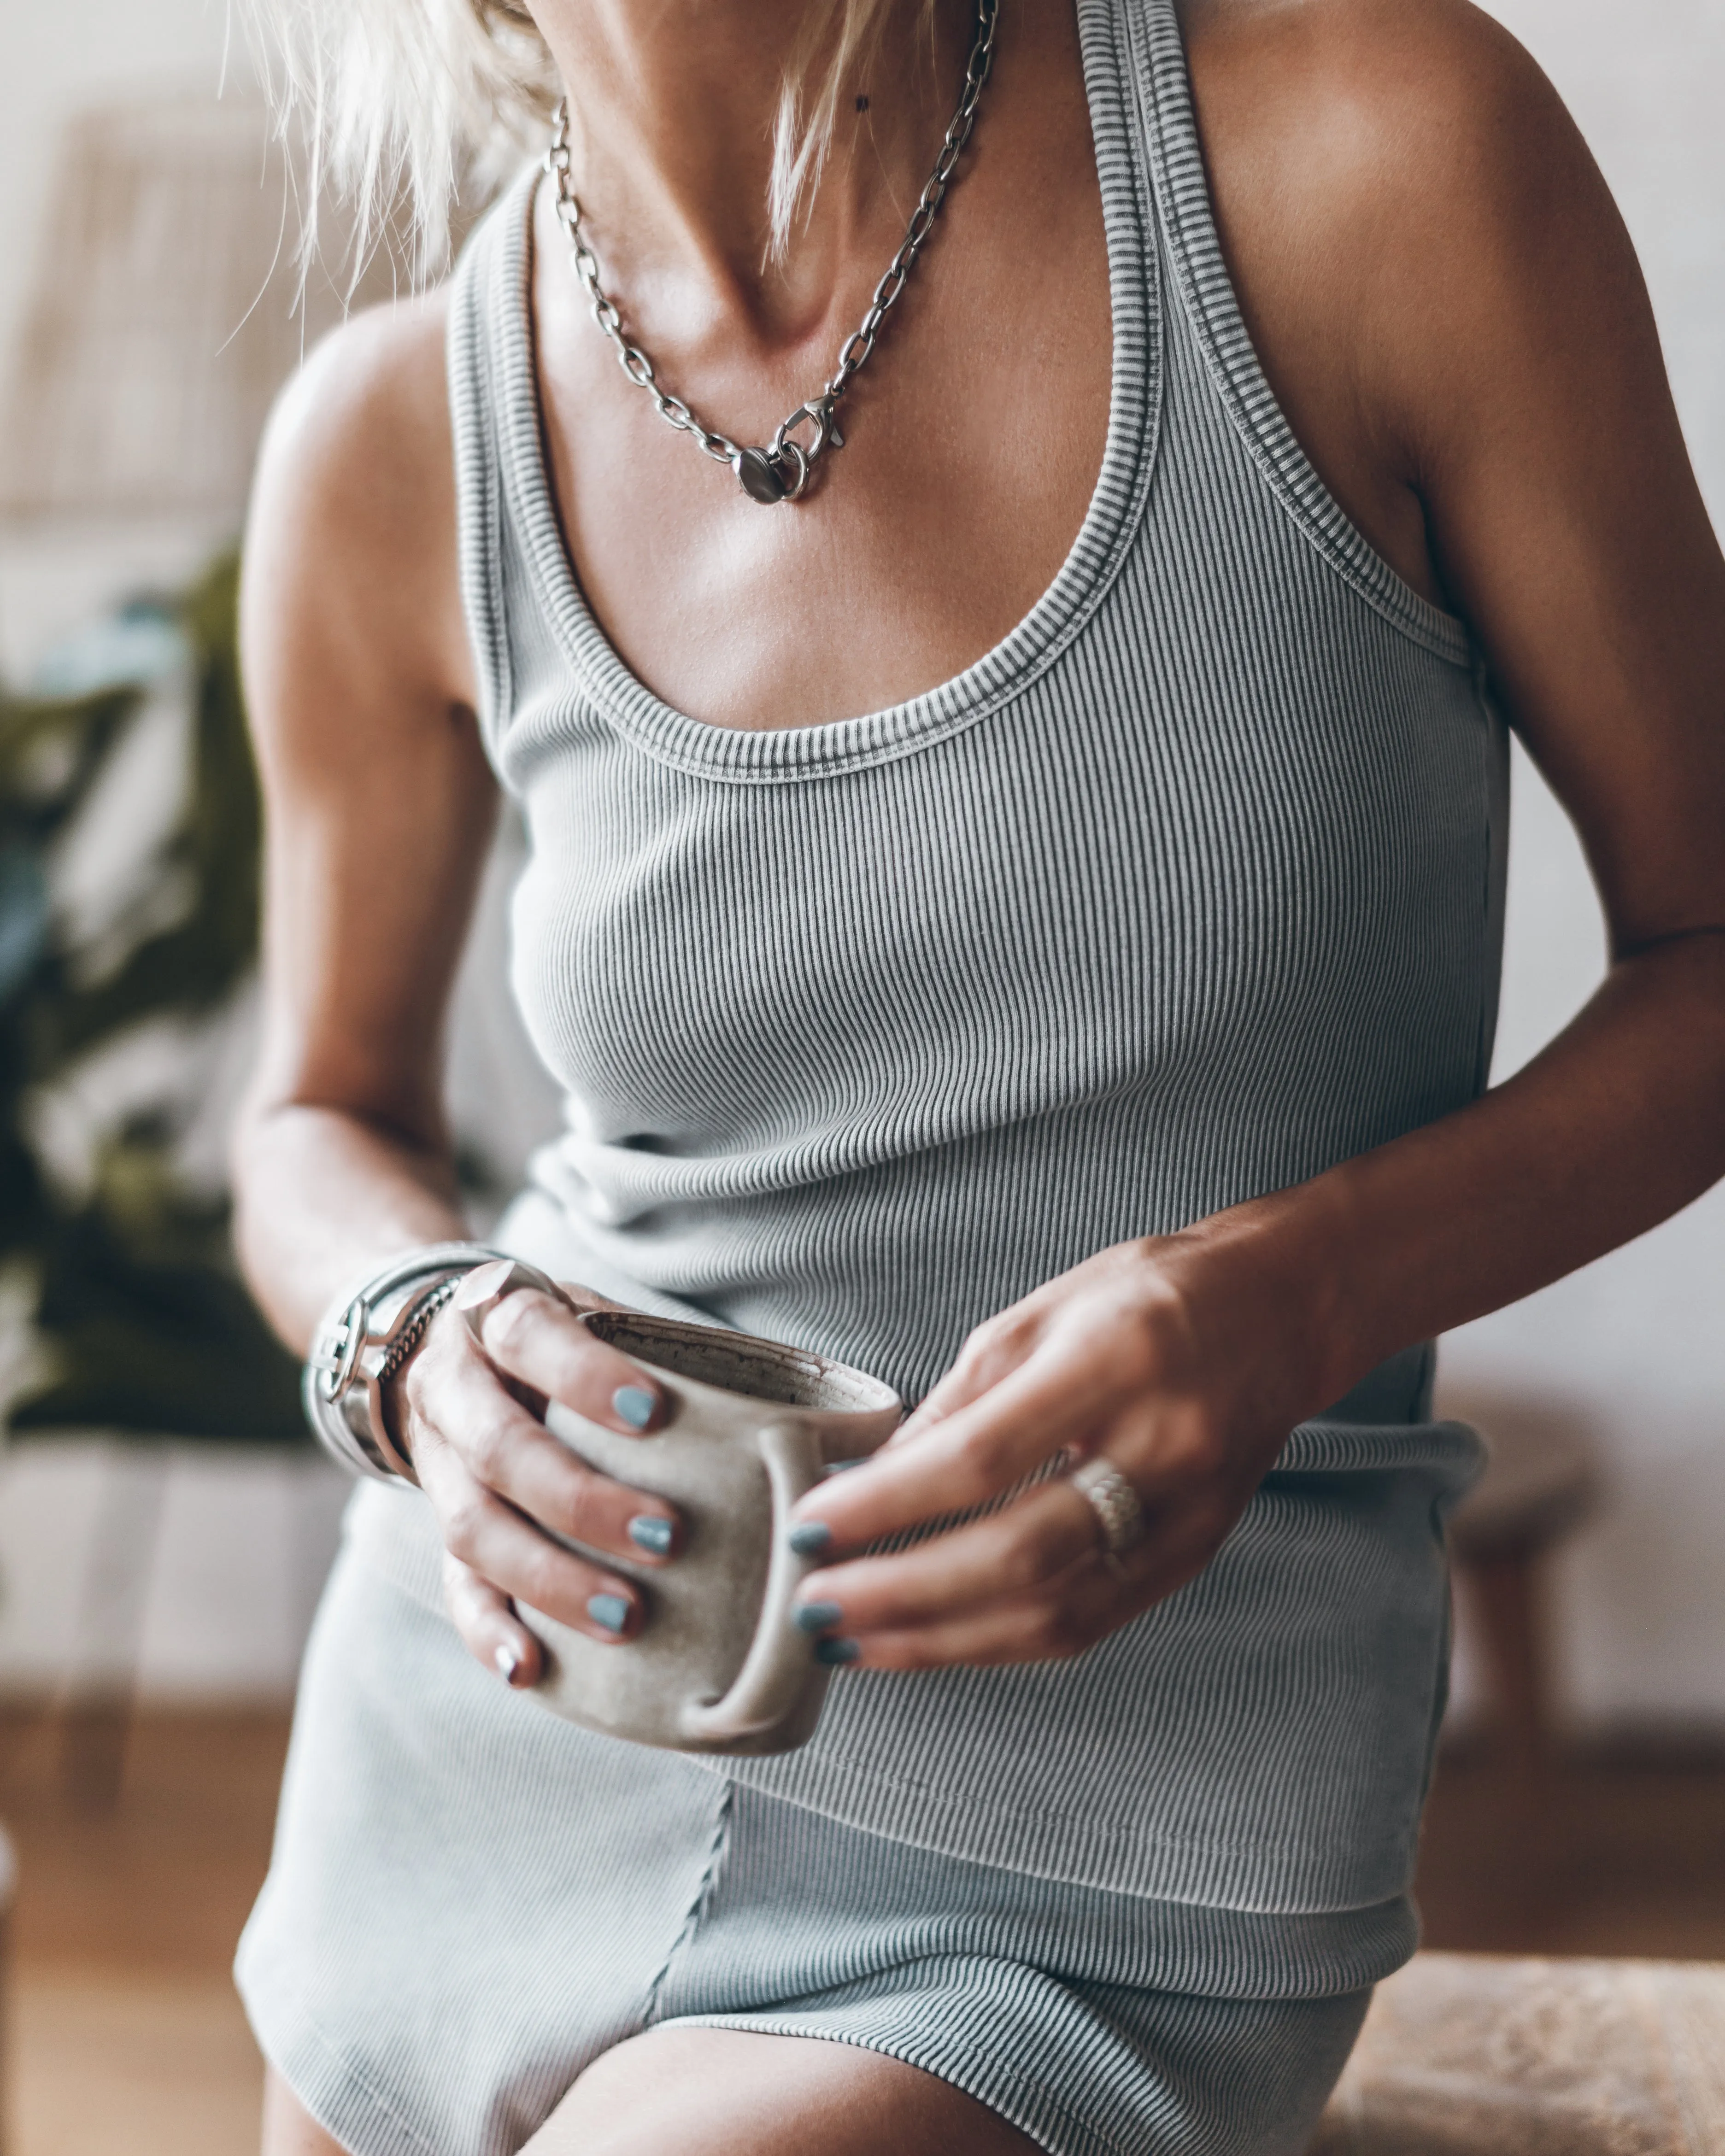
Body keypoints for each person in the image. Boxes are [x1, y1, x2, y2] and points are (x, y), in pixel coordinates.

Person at [229, 0, 1725, 2148]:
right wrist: (416, 1330)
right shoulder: (386, 435)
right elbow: (313, 1117)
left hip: (1112, 1806)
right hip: (500, 1733)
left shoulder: (1370, 154)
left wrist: (1289, 1295)